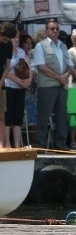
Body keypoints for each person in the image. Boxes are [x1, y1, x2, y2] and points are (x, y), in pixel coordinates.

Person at [32, 19, 74, 150]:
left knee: (62, 116)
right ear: (46, 31)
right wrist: (59, 77)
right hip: (47, 86)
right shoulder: (40, 46)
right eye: (52, 29)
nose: (55, 31)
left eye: (56, 29)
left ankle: (61, 144)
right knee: (44, 116)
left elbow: (70, 65)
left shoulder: (63, 46)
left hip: (62, 86)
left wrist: (65, 76)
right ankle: (42, 145)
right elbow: (41, 66)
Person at [3, 34, 33, 148]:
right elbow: (5, 71)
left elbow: (28, 67)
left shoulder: (21, 52)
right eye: (13, 37)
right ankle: (7, 144)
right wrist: (20, 81)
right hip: (8, 86)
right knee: (8, 117)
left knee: (18, 118)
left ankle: (17, 144)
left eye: (17, 37)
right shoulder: (5, 51)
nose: (16, 39)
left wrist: (28, 80)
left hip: (20, 88)